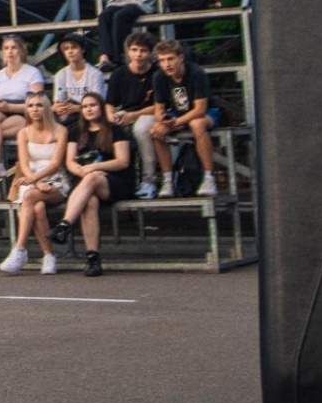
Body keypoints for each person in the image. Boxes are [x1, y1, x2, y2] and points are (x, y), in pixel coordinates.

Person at [51, 93, 134, 277]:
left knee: (93, 178)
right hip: (86, 183)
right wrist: (82, 171)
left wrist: (93, 168)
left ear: (101, 107)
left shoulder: (115, 130)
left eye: (93, 105)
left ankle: (65, 224)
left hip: (115, 181)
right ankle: (92, 259)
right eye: (85, 106)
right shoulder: (75, 130)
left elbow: (123, 161)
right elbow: (70, 161)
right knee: (90, 202)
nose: (88, 109)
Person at [0, 92, 70, 274]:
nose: (35, 109)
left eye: (39, 105)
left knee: (30, 196)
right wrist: (36, 182)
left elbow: (56, 164)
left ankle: (20, 248)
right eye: (30, 106)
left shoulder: (60, 130)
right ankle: (49, 256)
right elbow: (24, 164)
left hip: (55, 181)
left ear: (46, 107)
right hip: (32, 180)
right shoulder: (23, 132)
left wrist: (35, 180)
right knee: (37, 207)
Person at [0, 35, 47, 199]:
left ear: (21, 50)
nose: (10, 51)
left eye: (14, 47)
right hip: (2, 115)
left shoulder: (32, 73)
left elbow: (39, 104)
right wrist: (0, 107)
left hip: (25, 113)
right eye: (6, 48)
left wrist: (10, 107)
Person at [149, 39, 218, 197]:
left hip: (207, 112)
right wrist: (162, 120)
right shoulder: (159, 76)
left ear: (180, 58)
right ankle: (168, 180)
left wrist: (176, 122)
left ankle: (209, 178)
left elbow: (200, 110)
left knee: (196, 124)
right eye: (162, 60)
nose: (167, 64)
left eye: (170, 59)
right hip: (178, 114)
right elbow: (159, 108)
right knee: (155, 130)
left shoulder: (196, 73)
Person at [107, 31, 166, 194]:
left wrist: (133, 115)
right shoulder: (119, 73)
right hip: (125, 113)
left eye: (143, 50)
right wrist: (111, 117)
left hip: (150, 114)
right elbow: (109, 103)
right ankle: (117, 182)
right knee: (106, 128)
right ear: (128, 51)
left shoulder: (157, 74)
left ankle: (149, 181)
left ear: (151, 53)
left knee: (141, 129)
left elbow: (160, 105)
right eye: (134, 50)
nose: (138, 54)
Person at [50, 32, 107, 121]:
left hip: (91, 114)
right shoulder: (61, 75)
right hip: (68, 114)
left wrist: (77, 108)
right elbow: (58, 99)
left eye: (74, 47)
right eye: (66, 49)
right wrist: (59, 107)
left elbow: (99, 103)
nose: (70, 51)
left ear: (82, 49)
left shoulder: (95, 74)